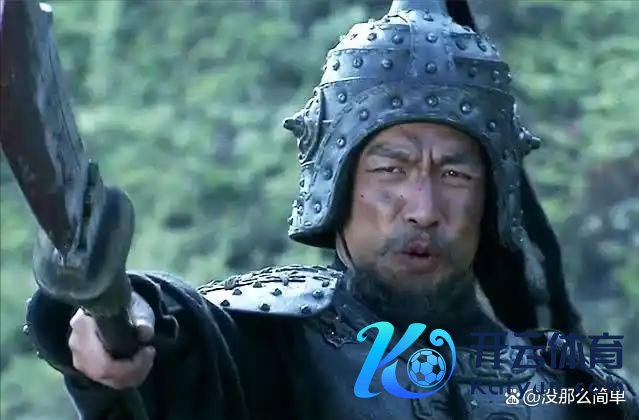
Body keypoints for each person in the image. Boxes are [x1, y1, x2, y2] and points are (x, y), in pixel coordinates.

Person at [24, 1, 638, 419]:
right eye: (390, 170)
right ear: (338, 186)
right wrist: (123, 312)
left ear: (491, 195)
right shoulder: (274, 341)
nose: (423, 209)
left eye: (455, 174)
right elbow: (184, 340)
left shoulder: (570, 387)